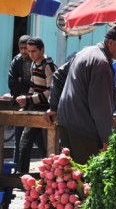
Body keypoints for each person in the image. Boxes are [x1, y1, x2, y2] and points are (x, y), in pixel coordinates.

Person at [57, 24, 116, 164]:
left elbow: (58, 75)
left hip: (66, 122)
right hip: (83, 127)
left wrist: (54, 107)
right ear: (110, 43)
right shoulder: (101, 63)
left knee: (70, 175)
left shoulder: (85, 52)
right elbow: (100, 105)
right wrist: (106, 138)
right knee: (87, 177)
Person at [16, 37, 57, 173]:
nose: (31, 54)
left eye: (34, 51)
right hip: (35, 107)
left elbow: (50, 92)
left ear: (42, 50)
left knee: (26, 142)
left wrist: (28, 100)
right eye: (29, 51)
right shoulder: (34, 65)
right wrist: (26, 101)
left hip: (47, 109)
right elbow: (34, 87)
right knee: (42, 145)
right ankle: (46, 175)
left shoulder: (48, 66)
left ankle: (22, 175)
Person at [8, 35, 32, 165]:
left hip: (36, 104)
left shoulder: (38, 60)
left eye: (25, 48)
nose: (23, 51)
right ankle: (17, 169)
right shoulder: (16, 61)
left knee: (40, 142)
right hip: (20, 104)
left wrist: (22, 81)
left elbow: (39, 85)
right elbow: (12, 84)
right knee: (19, 139)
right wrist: (28, 86)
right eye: (21, 48)